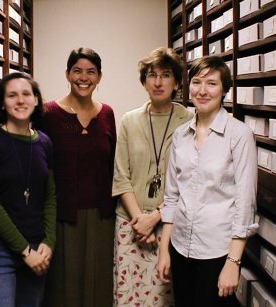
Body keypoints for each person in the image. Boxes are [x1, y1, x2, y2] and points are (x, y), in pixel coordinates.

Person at [157, 56, 258, 307]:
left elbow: (245, 204)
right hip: (180, 247)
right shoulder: (180, 134)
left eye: (211, 84)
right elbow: (172, 196)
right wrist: (164, 251)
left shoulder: (239, 135)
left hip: (217, 251)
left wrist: (233, 263)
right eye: (197, 82)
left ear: (224, 90)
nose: (202, 91)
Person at [112, 47, 193, 306]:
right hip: (130, 224)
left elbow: (189, 180)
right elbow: (121, 176)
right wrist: (140, 221)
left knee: (164, 297)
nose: (158, 82)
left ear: (177, 82)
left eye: (166, 75)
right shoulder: (129, 120)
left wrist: (155, 217)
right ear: (144, 81)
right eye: (151, 75)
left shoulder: (189, 119)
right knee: (128, 297)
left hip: (171, 224)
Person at [0, 72, 56, 307]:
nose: (20, 100)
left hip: (37, 247)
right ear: (2, 103)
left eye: (26, 94)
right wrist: (25, 252)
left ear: (36, 100)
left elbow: (49, 198)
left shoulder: (45, 143)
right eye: (12, 95)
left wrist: (49, 242)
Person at [41, 47, 117, 307]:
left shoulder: (107, 114)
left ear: (99, 77)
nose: (83, 78)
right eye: (77, 71)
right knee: (64, 290)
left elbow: (113, 164)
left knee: (99, 287)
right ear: (67, 74)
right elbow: (40, 166)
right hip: (62, 217)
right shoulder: (48, 113)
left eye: (91, 72)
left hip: (101, 217)